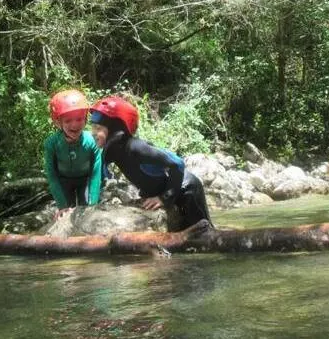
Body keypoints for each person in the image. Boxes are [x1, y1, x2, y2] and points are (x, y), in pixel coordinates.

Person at [88, 95, 212, 232]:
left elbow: (177, 164)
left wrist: (164, 198)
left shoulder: (136, 147)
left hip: (186, 188)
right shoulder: (112, 151)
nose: (93, 133)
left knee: (203, 233)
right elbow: (100, 179)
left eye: (98, 128)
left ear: (115, 129)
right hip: (162, 190)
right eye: (93, 127)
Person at [43, 89, 103, 218]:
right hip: (64, 181)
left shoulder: (92, 141)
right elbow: (52, 176)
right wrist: (62, 205)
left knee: (87, 212)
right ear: (58, 122)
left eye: (79, 119)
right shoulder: (52, 143)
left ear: (85, 119)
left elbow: (95, 174)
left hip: (85, 180)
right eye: (68, 121)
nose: (74, 125)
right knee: (66, 213)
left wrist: (93, 204)